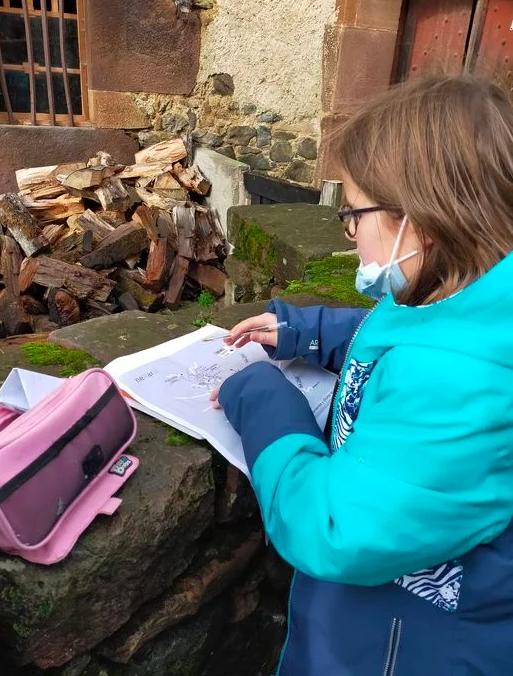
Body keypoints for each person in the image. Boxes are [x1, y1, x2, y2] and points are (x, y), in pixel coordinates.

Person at [209, 75, 513, 675]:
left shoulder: (463, 381)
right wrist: (308, 331)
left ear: (422, 219)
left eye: (354, 213)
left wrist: (263, 399)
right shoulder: (461, 293)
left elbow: (336, 529)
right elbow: (401, 332)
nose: (348, 233)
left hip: (401, 648)